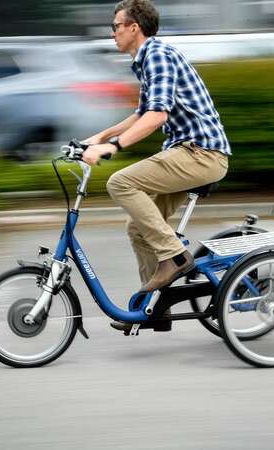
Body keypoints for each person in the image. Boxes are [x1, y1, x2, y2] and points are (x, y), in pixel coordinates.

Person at [82, 0, 230, 331]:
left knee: (120, 183)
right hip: (187, 153)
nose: (113, 32)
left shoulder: (159, 56)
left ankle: (175, 257)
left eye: (116, 26)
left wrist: (113, 147)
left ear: (134, 27)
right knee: (137, 227)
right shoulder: (146, 60)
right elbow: (141, 113)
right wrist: (101, 136)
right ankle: (154, 308)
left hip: (201, 153)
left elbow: (157, 115)